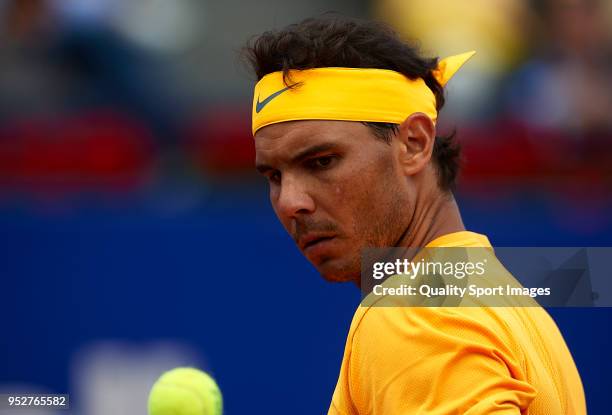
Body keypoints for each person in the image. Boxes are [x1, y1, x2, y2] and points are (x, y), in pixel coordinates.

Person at [244, 16, 586, 414]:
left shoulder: (415, 316)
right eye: (273, 176)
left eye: (321, 162)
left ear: (414, 143)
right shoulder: (501, 298)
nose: (290, 201)